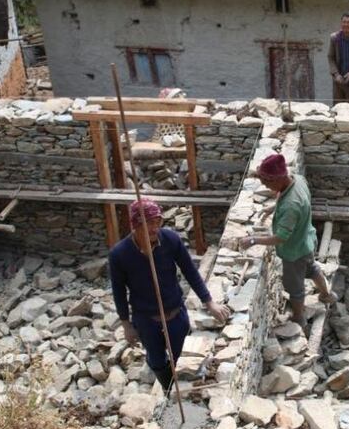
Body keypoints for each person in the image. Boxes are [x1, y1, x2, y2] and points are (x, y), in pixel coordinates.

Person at [109, 199, 230, 393]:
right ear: (136, 225)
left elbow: (190, 271)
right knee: (156, 361)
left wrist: (209, 302)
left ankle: (181, 391)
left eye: (158, 222)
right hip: (146, 319)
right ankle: (169, 390)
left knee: (182, 359)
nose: (155, 228)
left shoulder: (170, 240)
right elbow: (119, 292)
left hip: (175, 313)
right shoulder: (119, 254)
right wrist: (126, 325)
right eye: (149, 223)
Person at [239, 154, 336, 328]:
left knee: (295, 288)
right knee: (312, 268)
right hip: (307, 239)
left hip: (294, 251)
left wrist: (253, 240)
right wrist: (274, 207)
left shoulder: (291, 205)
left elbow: (280, 238)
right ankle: (326, 294)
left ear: (279, 179)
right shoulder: (297, 180)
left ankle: (299, 318)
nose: (266, 187)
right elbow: (286, 197)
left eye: (268, 183)